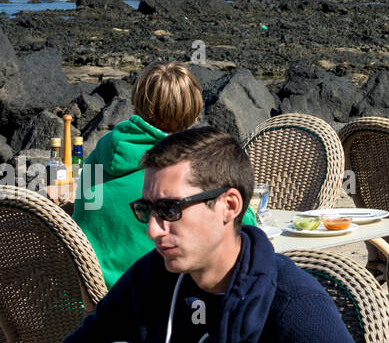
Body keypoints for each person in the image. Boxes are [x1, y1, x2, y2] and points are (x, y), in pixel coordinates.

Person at [25, 127, 367, 343]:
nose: (154, 231)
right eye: (147, 211)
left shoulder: (294, 307)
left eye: (170, 210)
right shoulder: (152, 278)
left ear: (229, 206)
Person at [75, 61, 256, 292]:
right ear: (194, 115)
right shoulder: (188, 172)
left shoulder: (100, 152)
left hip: (88, 294)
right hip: (154, 303)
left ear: (137, 103)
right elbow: (245, 229)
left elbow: (84, 212)